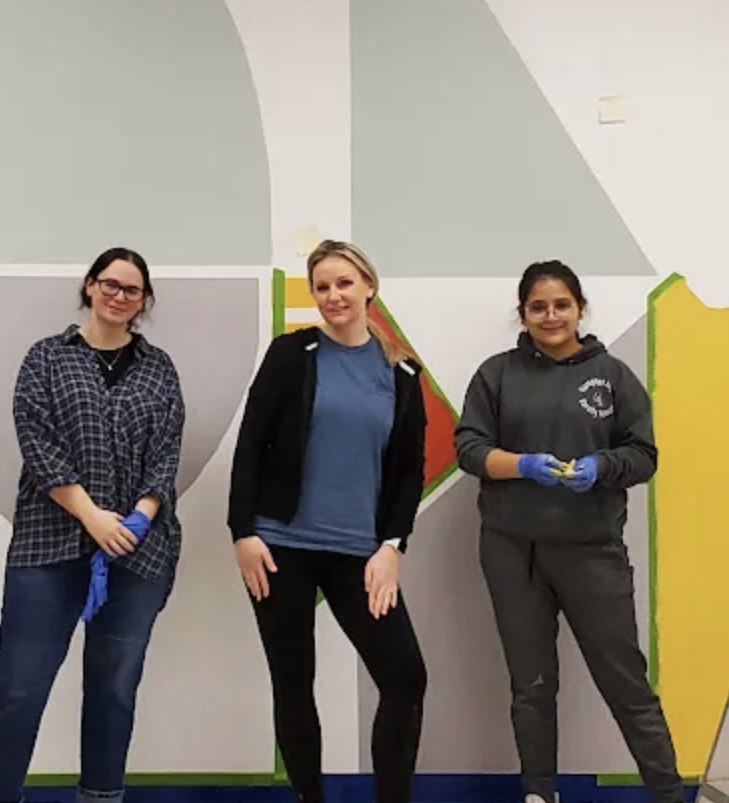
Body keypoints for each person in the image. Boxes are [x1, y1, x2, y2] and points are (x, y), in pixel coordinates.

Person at [454, 260, 684, 803]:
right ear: (523, 313)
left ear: (580, 308)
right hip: (512, 552)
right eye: (538, 306)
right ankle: (540, 793)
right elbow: (469, 448)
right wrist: (523, 464)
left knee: (626, 683)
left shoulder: (613, 376)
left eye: (561, 304)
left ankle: (670, 796)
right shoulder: (497, 374)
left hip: (592, 553)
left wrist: (601, 468)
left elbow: (644, 455)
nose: (550, 315)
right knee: (530, 685)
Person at [0, 247, 185, 803]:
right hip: (49, 545)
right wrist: (92, 516)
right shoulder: (46, 358)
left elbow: (166, 455)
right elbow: (37, 443)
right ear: (89, 286)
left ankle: (101, 798)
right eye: (109, 284)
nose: (118, 296)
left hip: (138, 554)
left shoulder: (159, 369)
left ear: (143, 301)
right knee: (19, 687)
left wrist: (137, 519)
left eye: (131, 290)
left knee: (114, 688)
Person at [228, 239, 428, 803]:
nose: (333, 295)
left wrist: (392, 545)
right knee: (294, 684)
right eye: (322, 287)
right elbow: (250, 445)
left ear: (369, 286)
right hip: (279, 547)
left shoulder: (403, 373)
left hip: (359, 552)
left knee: (405, 677)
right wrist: (242, 533)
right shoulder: (292, 354)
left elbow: (407, 473)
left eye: (344, 283)